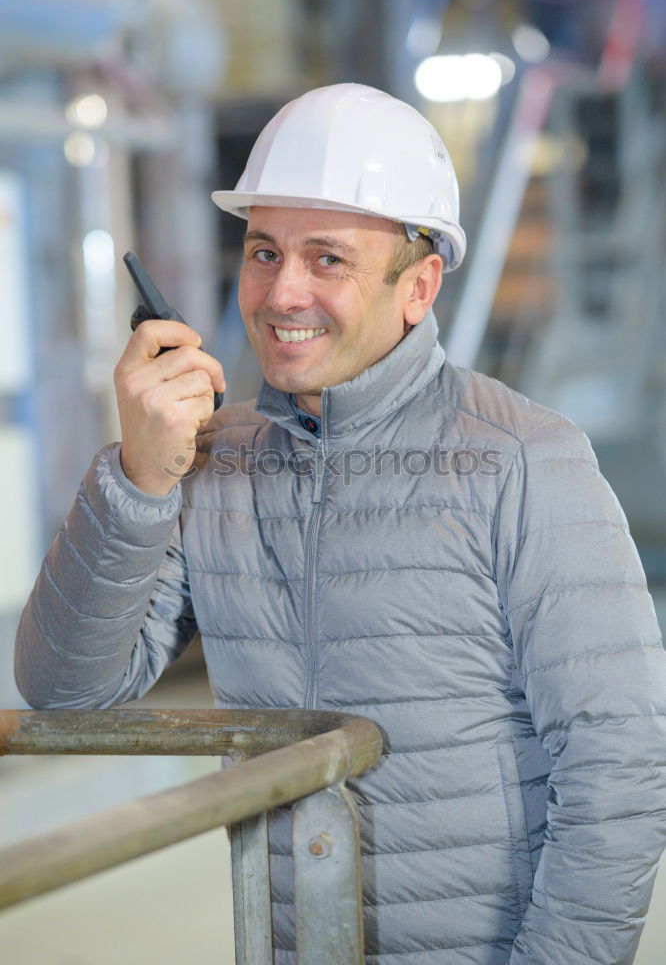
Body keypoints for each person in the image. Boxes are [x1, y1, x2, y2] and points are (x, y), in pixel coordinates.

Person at [15, 83, 666, 964]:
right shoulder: (214, 465)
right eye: (264, 250)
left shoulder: (523, 461)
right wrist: (137, 477)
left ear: (419, 286)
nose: (284, 291)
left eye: (328, 259)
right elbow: (67, 692)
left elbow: (619, 765)